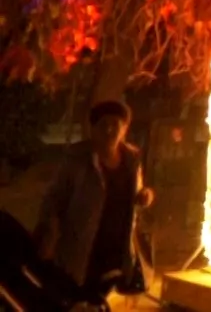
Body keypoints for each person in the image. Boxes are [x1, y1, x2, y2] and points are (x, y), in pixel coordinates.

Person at [33, 100, 152, 302]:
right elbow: (54, 198)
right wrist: (50, 228)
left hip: (117, 248)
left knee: (102, 298)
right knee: (79, 298)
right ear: (93, 128)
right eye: (103, 124)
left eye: (115, 124)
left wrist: (145, 195)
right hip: (84, 248)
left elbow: (137, 193)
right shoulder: (77, 159)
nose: (109, 129)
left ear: (124, 128)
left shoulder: (131, 160)